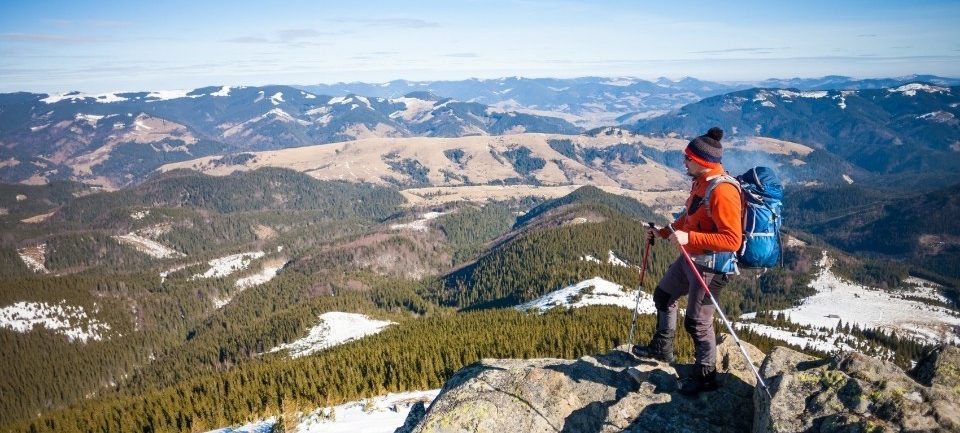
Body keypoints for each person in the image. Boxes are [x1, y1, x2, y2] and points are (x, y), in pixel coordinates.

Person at [632, 126, 742, 396]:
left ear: (702, 162)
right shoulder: (701, 183)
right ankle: (662, 349)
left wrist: (688, 237)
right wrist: (663, 232)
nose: (684, 161)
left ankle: (706, 376)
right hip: (691, 258)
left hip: (711, 267)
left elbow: (732, 240)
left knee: (696, 322)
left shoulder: (722, 191)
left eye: (687, 158)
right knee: (663, 295)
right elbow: (688, 217)